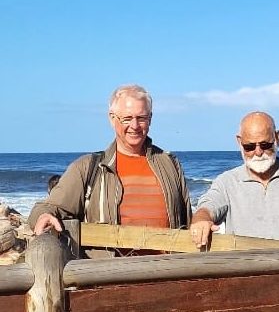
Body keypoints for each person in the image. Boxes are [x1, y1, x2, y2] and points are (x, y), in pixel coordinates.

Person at [28, 84, 191, 242]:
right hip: (109, 269)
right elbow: (46, 208)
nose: (134, 126)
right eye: (127, 119)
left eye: (141, 118)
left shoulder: (170, 164)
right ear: (112, 119)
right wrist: (44, 216)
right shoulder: (88, 168)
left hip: (167, 268)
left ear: (150, 119)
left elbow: (189, 222)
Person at [189, 112, 279, 247]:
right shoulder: (227, 182)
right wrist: (201, 220)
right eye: (249, 147)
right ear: (239, 142)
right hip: (247, 266)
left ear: (277, 138)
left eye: (265, 145)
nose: (258, 152)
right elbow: (208, 206)